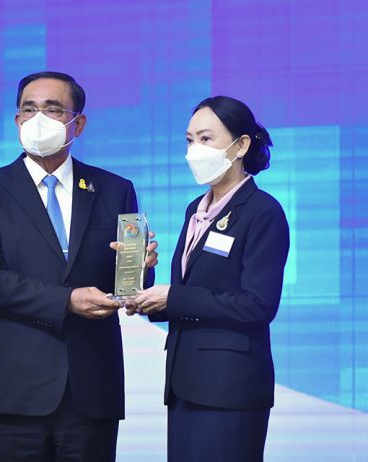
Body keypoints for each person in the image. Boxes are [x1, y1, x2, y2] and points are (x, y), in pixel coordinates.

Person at [0, 71, 157, 462]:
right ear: (17, 120)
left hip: (92, 383)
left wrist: (141, 270)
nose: (38, 120)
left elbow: (128, 283)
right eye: (29, 110)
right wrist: (66, 301)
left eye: (52, 110)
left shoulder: (115, 189)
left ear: (77, 124)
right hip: (16, 386)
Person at [133, 96, 289, 462]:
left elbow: (258, 305)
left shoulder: (263, 211)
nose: (194, 151)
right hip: (185, 382)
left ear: (241, 145)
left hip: (230, 387)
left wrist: (174, 298)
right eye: (190, 140)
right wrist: (144, 281)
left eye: (206, 139)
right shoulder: (195, 210)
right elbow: (187, 293)